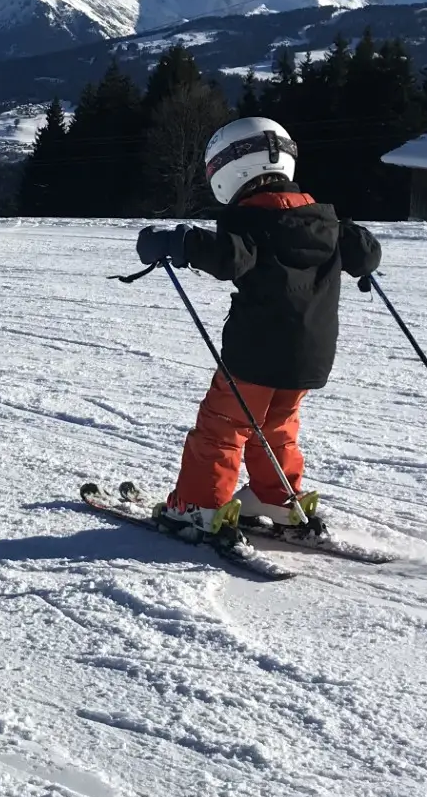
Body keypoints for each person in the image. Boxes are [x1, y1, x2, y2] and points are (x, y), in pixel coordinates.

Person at [135, 116, 380, 536]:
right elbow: (366, 254)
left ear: (232, 169)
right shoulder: (324, 220)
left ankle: (198, 505)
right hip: (311, 354)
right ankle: (277, 497)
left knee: (222, 425)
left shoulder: (252, 219)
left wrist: (178, 243)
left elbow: (231, 257)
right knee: (277, 426)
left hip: (255, 354)